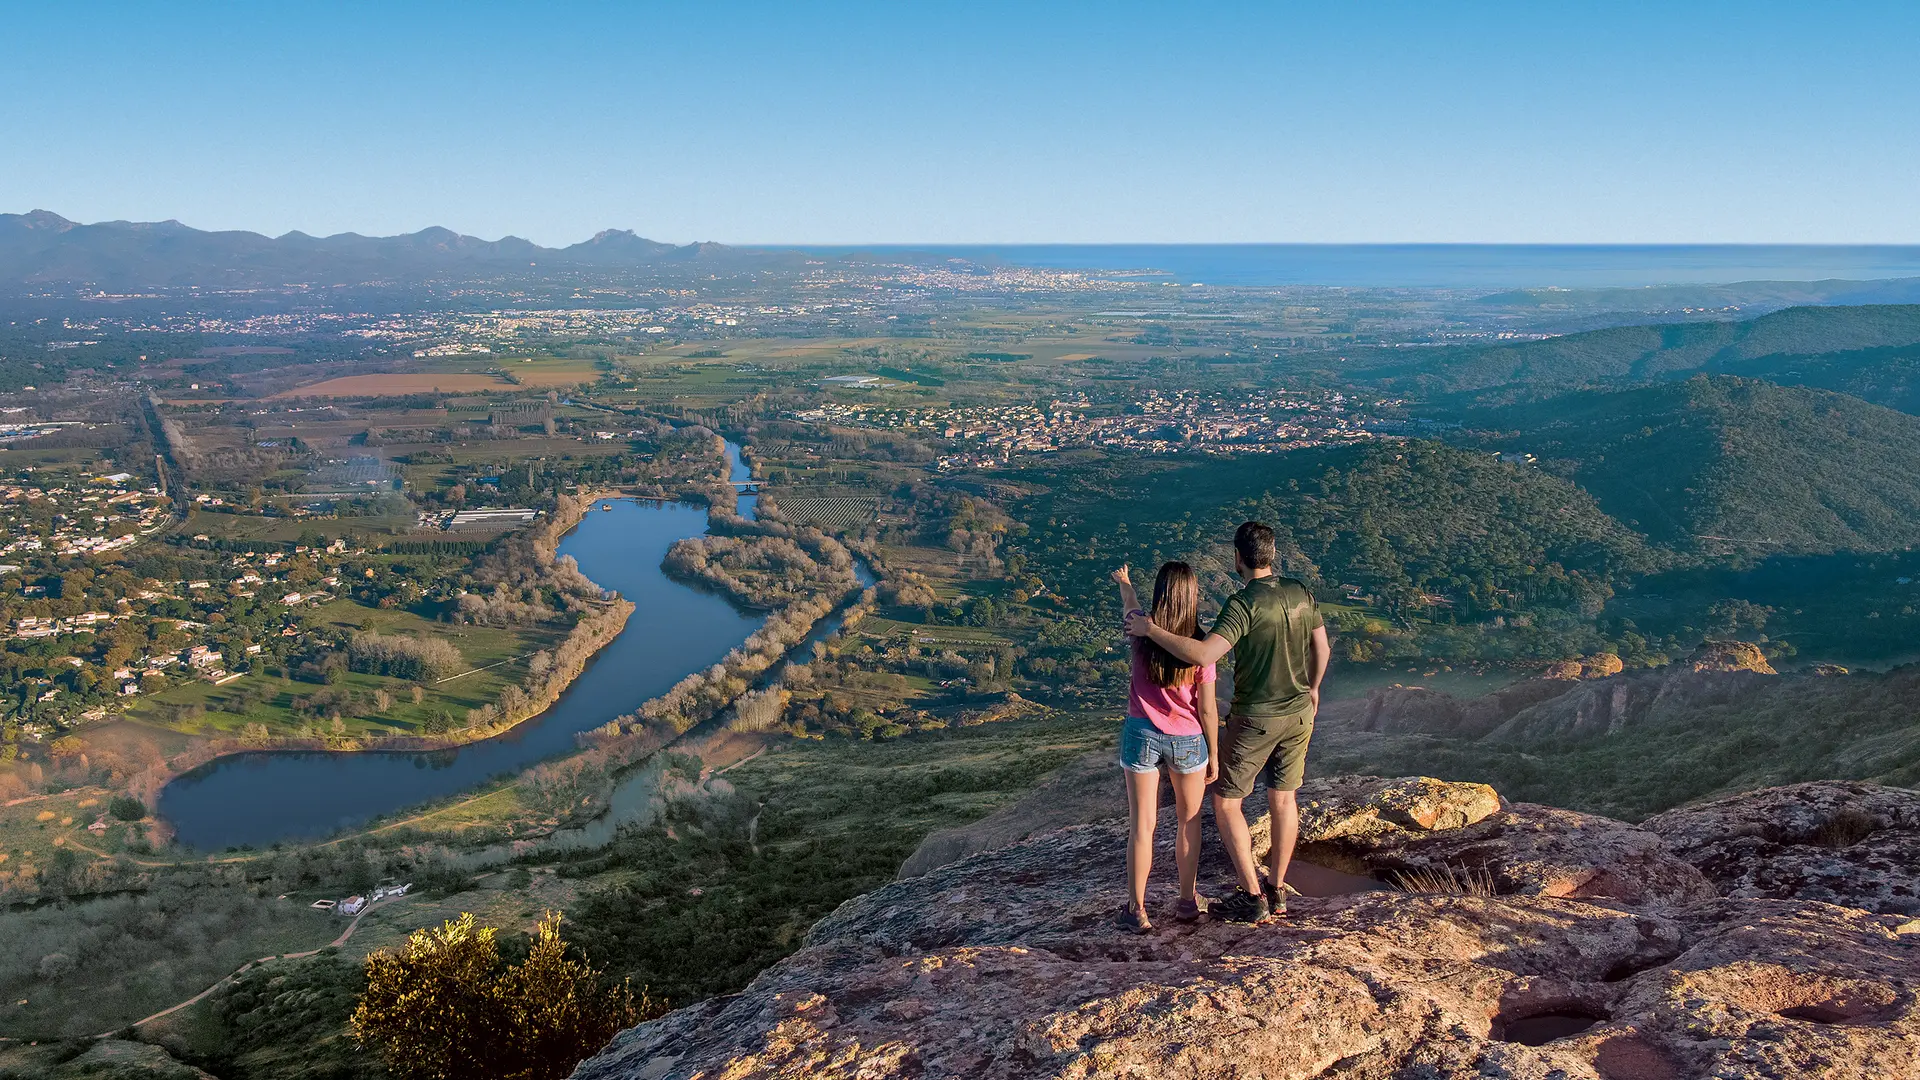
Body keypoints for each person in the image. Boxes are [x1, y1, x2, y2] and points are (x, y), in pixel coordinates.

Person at [1126, 521, 1328, 923]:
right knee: (1284, 799)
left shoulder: (1243, 604)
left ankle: (1253, 896)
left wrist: (1149, 627)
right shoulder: (1301, 592)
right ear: (1272, 553)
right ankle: (1278, 888)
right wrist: (1314, 687)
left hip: (1257, 717)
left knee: (1226, 802)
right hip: (1299, 712)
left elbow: (1203, 654)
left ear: (1237, 557)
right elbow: (1320, 646)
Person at [1110, 561, 1220, 933]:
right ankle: (1188, 903)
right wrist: (1214, 753)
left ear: (1159, 594)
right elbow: (1206, 707)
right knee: (1188, 823)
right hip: (1188, 738)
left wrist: (1125, 582)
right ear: (1192, 597)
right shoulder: (1200, 645)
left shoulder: (1140, 629)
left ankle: (1136, 910)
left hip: (1140, 732)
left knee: (1143, 825)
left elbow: (1129, 606)